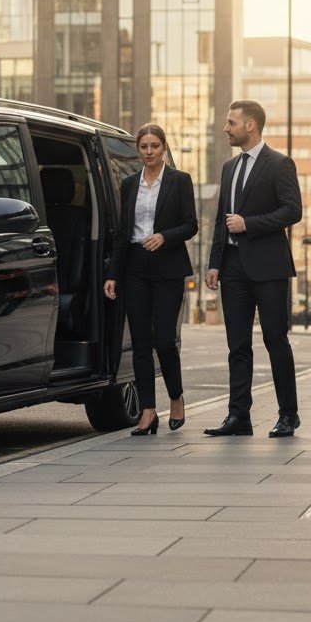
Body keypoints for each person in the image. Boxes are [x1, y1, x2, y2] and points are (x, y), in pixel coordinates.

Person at [204, 100, 303, 438]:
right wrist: (214, 263)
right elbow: (221, 219)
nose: (226, 128)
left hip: (269, 268)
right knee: (237, 346)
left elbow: (293, 210)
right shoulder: (229, 167)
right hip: (233, 269)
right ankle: (238, 417)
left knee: (276, 340)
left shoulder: (279, 164)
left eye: (231, 122)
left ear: (250, 125)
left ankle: (288, 415)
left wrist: (250, 224)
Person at [104, 123, 197, 436]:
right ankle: (147, 411)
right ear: (138, 149)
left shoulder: (180, 180)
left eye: (154, 146)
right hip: (135, 267)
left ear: (164, 147)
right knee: (140, 342)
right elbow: (122, 232)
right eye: (143, 146)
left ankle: (176, 396)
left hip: (168, 267)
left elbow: (190, 224)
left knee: (163, 340)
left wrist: (164, 237)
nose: (148, 152)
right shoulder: (130, 184)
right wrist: (113, 275)